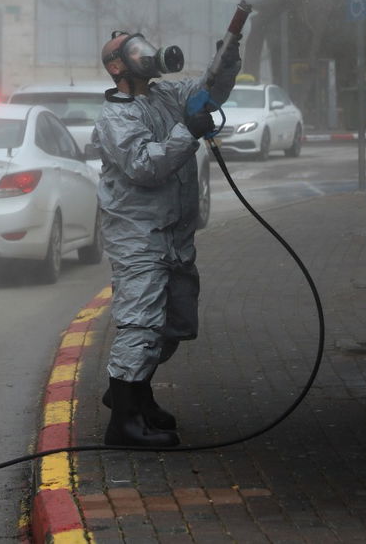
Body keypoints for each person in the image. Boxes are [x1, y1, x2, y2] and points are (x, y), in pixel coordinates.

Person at [91, 29, 242, 447]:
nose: (148, 55)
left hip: (174, 234)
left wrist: (225, 62)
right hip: (138, 236)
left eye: (145, 46)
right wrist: (186, 133)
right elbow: (143, 166)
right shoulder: (116, 117)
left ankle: (134, 393)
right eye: (135, 52)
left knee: (173, 323)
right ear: (117, 67)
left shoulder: (164, 96)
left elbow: (205, 93)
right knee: (141, 323)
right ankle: (123, 423)